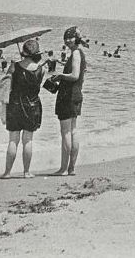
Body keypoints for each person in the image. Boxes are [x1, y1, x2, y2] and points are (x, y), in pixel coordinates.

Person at [1, 38, 47, 178]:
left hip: (15, 105)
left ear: (23, 52)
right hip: (33, 106)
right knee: (28, 140)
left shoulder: (14, 66)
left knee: (13, 140)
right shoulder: (42, 69)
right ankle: (26, 172)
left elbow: (5, 85)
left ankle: (7, 172)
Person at [46, 27, 86, 176]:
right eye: (65, 38)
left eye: (70, 38)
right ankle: (71, 168)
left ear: (76, 38)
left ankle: (63, 169)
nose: (67, 41)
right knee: (73, 131)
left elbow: (74, 75)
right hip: (75, 94)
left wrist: (61, 76)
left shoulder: (75, 54)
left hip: (68, 96)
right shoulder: (79, 53)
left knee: (66, 133)